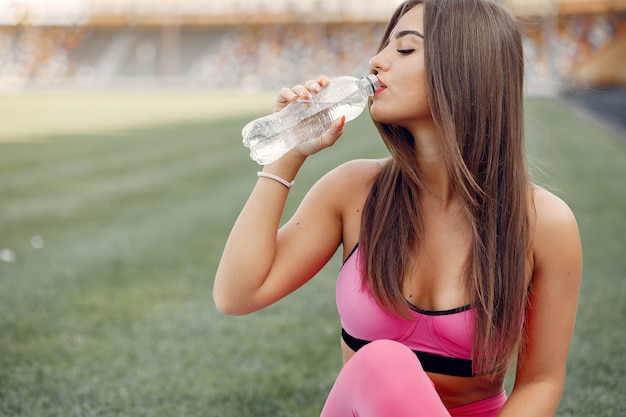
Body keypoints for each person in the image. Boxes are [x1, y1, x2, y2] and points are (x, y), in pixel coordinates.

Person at [214, 0, 583, 416]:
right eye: (385, 46)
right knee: (383, 363)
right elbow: (237, 294)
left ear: (465, 69)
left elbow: (540, 381)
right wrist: (286, 152)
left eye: (404, 49)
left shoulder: (544, 224)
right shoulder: (353, 191)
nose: (376, 60)